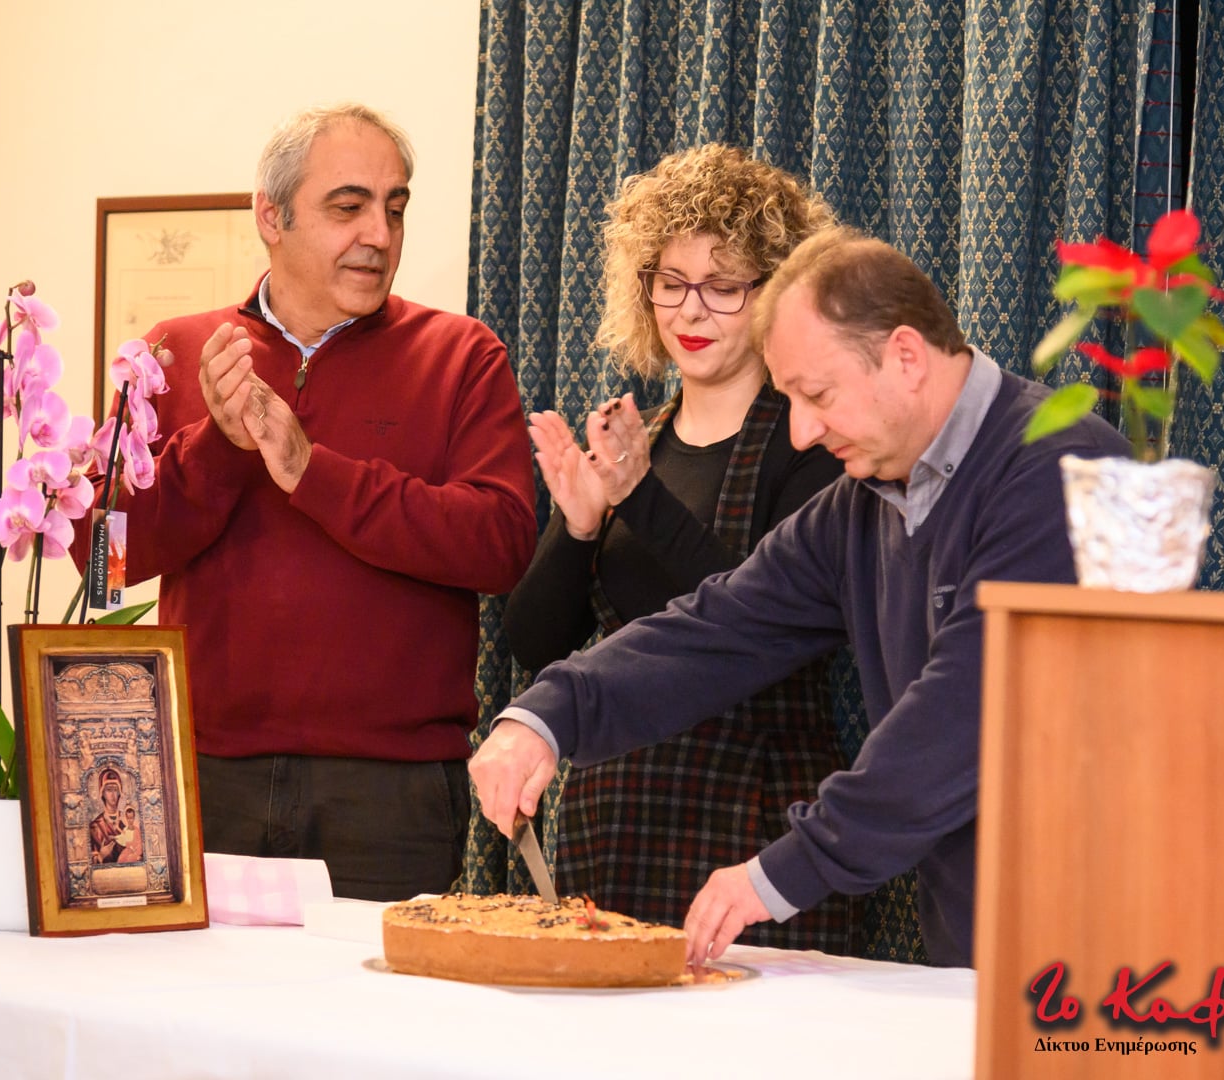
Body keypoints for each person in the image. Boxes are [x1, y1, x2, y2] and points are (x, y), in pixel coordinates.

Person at [471, 226, 1129, 967]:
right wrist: (547, 716)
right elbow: (721, 624)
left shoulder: (1062, 471)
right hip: (971, 946)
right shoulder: (863, 502)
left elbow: (965, 714)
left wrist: (785, 870)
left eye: (816, 395)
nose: (803, 431)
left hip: (1102, 945)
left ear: (906, 357)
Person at [81, 103, 537, 901]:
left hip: (391, 797)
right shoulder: (174, 351)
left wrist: (311, 473)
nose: (379, 235)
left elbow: (499, 546)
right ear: (271, 216)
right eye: (348, 207)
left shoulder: (462, 354)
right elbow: (102, 565)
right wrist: (218, 447)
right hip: (198, 773)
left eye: (395, 208)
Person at [502, 144, 857, 953]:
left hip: (754, 820)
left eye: (722, 287)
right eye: (671, 282)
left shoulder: (808, 444)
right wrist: (577, 528)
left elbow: (765, 622)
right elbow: (534, 645)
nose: (691, 313)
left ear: (774, 294)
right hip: (615, 819)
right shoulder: (640, 440)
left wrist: (638, 498)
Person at [89, 769, 133, 865]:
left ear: (119, 792)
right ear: (103, 793)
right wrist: (101, 856)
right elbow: (89, 863)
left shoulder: (127, 819)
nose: (113, 795)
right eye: (109, 790)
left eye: (115, 790)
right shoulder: (95, 827)